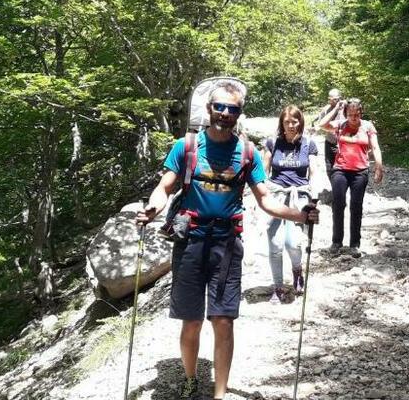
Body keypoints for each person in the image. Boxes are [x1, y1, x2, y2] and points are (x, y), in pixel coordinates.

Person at [136, 81, 319, 400]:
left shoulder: (247, 152)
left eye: (232, 109)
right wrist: (152, 208)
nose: (224, 113)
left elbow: (266, 200)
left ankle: (220, 393)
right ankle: (191, 378)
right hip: (190, 240)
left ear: (239, 113)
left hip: (227, 242)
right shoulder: (187, 146)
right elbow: (164, 187)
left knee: (223, 320)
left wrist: (302, 215)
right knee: (191, 320)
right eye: (219, 107)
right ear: (208, 109)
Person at [262, 105, 318, 304]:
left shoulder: (308, 144)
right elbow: (262, 170)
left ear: (300, 122)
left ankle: (297, 270)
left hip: (299, 196)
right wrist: (257, 194)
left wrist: (314, 195)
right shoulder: (272, 143)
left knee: (293, 242)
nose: (291, 125)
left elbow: (313, 171)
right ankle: (277, 287)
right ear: (282, 123)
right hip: (276, 194)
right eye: (287, 122)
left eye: (294, 121)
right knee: (275, 243)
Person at [318, 98, 383, 259]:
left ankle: (354, 244)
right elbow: (322, 124)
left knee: (356, 206)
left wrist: (379, 167)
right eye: (350, 114)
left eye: (357, 114)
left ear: (361, 113)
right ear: (346, 113)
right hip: (340, 169)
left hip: (360, 171)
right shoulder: (340, 124)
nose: (353, 117)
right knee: (338, 204)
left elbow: (375, 147)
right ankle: (336, 242)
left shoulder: (367, 126)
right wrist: (335, 109)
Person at [313, 88, 344, 176]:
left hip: (344, 143)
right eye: (330, 99)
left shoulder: (346, 108)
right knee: (329, 168)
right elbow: (321, 124)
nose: (332, 101)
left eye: (335, 99)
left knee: (343, 168)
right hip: (330, 142)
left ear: (340, 98)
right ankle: (334, 187)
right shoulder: (326, 109)